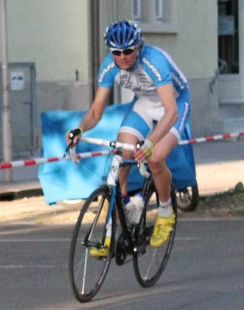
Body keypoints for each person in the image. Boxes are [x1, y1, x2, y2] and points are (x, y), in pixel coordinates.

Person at [65, 20, 190, 254]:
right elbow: (95, 111)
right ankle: (120, 217)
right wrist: (80, 129)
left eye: (128, 51)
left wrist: (151, 142)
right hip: (144, 104)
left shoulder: (155, 62)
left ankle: (165, 212)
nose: (123, 57)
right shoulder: (109, 67)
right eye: (117, 52)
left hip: (173, 105)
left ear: (139, 47)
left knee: (154, 159)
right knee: (121, 155)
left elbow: (171, 111)